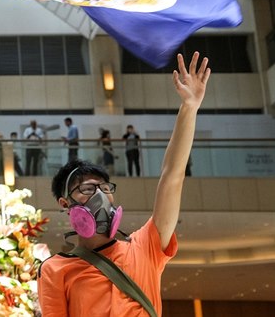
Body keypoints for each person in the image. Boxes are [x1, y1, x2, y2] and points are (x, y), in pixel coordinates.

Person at [39, 52, 209, 317]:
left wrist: (189, 107)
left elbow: (172, 177)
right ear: (65, 204)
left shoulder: (145, 247)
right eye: (87, 189)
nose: (101, 197)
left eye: (105, 189)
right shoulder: (56, 268)